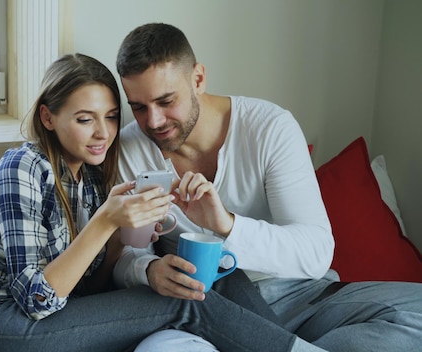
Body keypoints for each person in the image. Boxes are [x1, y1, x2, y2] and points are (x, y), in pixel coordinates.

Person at [0, 53, 312, 352]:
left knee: (204, 277)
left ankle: (291, 344)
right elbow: (36, 301)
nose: (103, 133)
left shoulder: (91, 177)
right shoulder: (21, 167)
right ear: (48, 117)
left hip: (54, 316)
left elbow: (89, 290)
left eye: (110, 117)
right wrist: (104, 221)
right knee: (181, 299)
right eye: (85, 119)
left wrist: (121, 239)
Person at [113, 22, 422, 352]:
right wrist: (149, 269)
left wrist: (227, 225)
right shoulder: (129, 150)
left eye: (166, 101)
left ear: (198, 79)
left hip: (302, 298)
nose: (154, 121)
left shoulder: (269, 127)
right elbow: (124, 254)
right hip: (205, 308)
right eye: (139, 107)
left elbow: (316, 253)